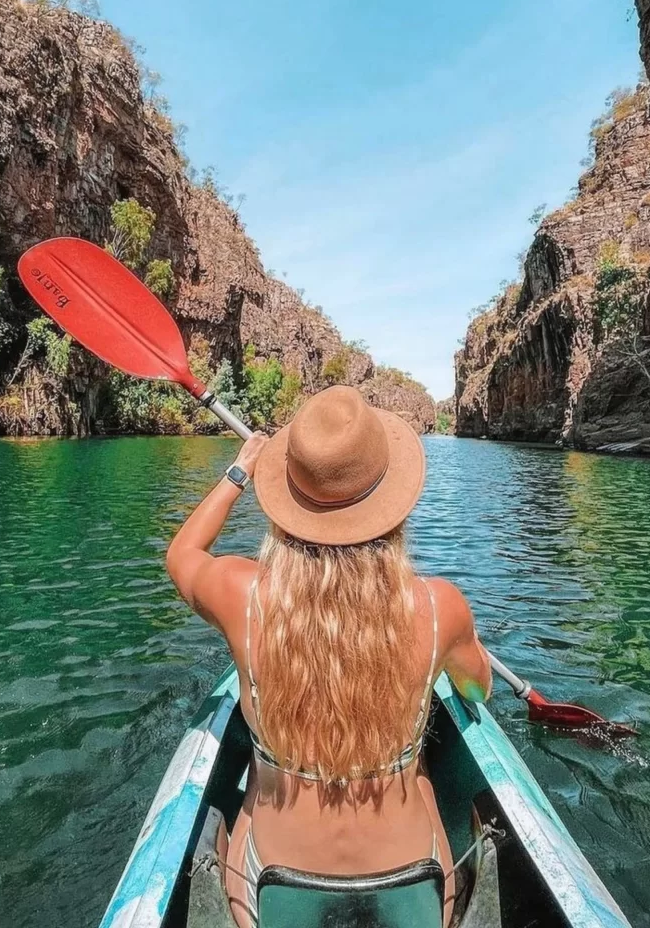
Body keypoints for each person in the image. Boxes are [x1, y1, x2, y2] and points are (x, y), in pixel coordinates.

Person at [166, 385, 492, 927]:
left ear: (288, 502)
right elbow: (477, 690)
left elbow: (182, 554)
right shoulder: (439, 609)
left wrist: (239, 470)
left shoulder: (240, 596)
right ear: (392, 505)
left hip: (268, 888)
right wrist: (461, 649)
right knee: (430, 771)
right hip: (416, 888)